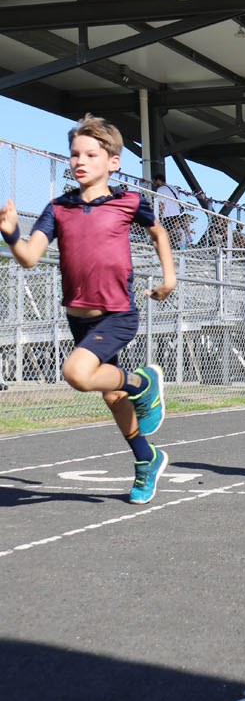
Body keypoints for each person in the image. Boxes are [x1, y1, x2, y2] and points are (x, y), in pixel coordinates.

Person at [1, 116, 176, 504]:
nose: (80, 161)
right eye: (75, 154)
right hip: (79, 317)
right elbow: (30, 257)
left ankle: (143, 383)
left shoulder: (129, 201)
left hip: (118, 312)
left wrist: (168, 279)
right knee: (113, 397)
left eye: (91, 154)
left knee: (77, 373)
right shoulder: (58, 208)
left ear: (112, 162)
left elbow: (159, 233)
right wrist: (11, 233)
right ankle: (147, 460)